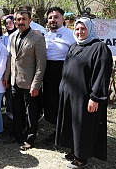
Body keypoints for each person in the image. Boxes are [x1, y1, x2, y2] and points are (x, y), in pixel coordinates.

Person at [55, 17, 112, 169]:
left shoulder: (99, 48)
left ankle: (81, 159)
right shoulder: (74, 46)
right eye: (77, 29)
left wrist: (95, 97)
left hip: (85, 98)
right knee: (71, 125)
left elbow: (101, 75)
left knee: (83, 127)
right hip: (70, 95)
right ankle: (74, 150)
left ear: (90, 30)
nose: (80, 32)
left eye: (83, 29)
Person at [3, 9, 46, 150]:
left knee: (31, 113)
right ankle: (17, 135)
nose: (20, 22)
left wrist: (36, 85)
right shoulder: (13, 36)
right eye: (18, 19)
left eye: (23, 19)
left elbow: (41, 63)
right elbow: (11, 58)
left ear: (30, 20)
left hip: (30, 83)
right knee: (17, 110)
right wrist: (7, 77)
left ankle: (30, 138)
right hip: (15, 81)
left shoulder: (38, 37)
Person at [42, 7, 75, 143]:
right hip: (47, 72)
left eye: (56, 17)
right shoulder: (45, 35)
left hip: (64, 71)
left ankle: (65, 133)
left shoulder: (71, 34)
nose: (53, 20)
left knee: (63, 102)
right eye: (50, 18)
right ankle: (57, 130)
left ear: (63, 19)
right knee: (51, 103)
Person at [2, 15, 17, 120]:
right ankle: (8, 109)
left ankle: (13, 110)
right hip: (5, 64)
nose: (8, 25)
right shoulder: (4, 36)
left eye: (10, 22)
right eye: (6, 23)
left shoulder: (17, 34)